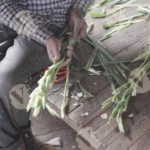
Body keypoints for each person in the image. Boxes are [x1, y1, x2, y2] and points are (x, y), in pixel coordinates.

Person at [0, 0, 93, 150]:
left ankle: (20, 144)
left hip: (49, 27)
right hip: (12, 20)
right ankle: (21, 144)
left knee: (7, 79)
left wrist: (78, 9)